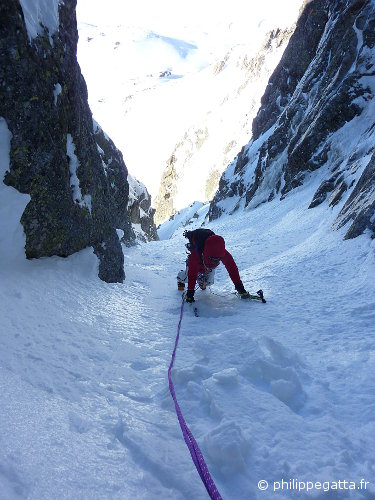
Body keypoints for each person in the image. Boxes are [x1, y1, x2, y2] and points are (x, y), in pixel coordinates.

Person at [177, 228, 251, 302]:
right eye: (213, 259)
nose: (215, 261)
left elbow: (232, 269)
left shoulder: (222, 251)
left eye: (217, 259)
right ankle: (180, 278)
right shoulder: (195, 254)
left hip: (207, 266)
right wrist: (190, 292)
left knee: (209, 282)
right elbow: (192, 273)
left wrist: (240, 288)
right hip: (197, 263)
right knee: (187, 278)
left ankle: (202, 282)